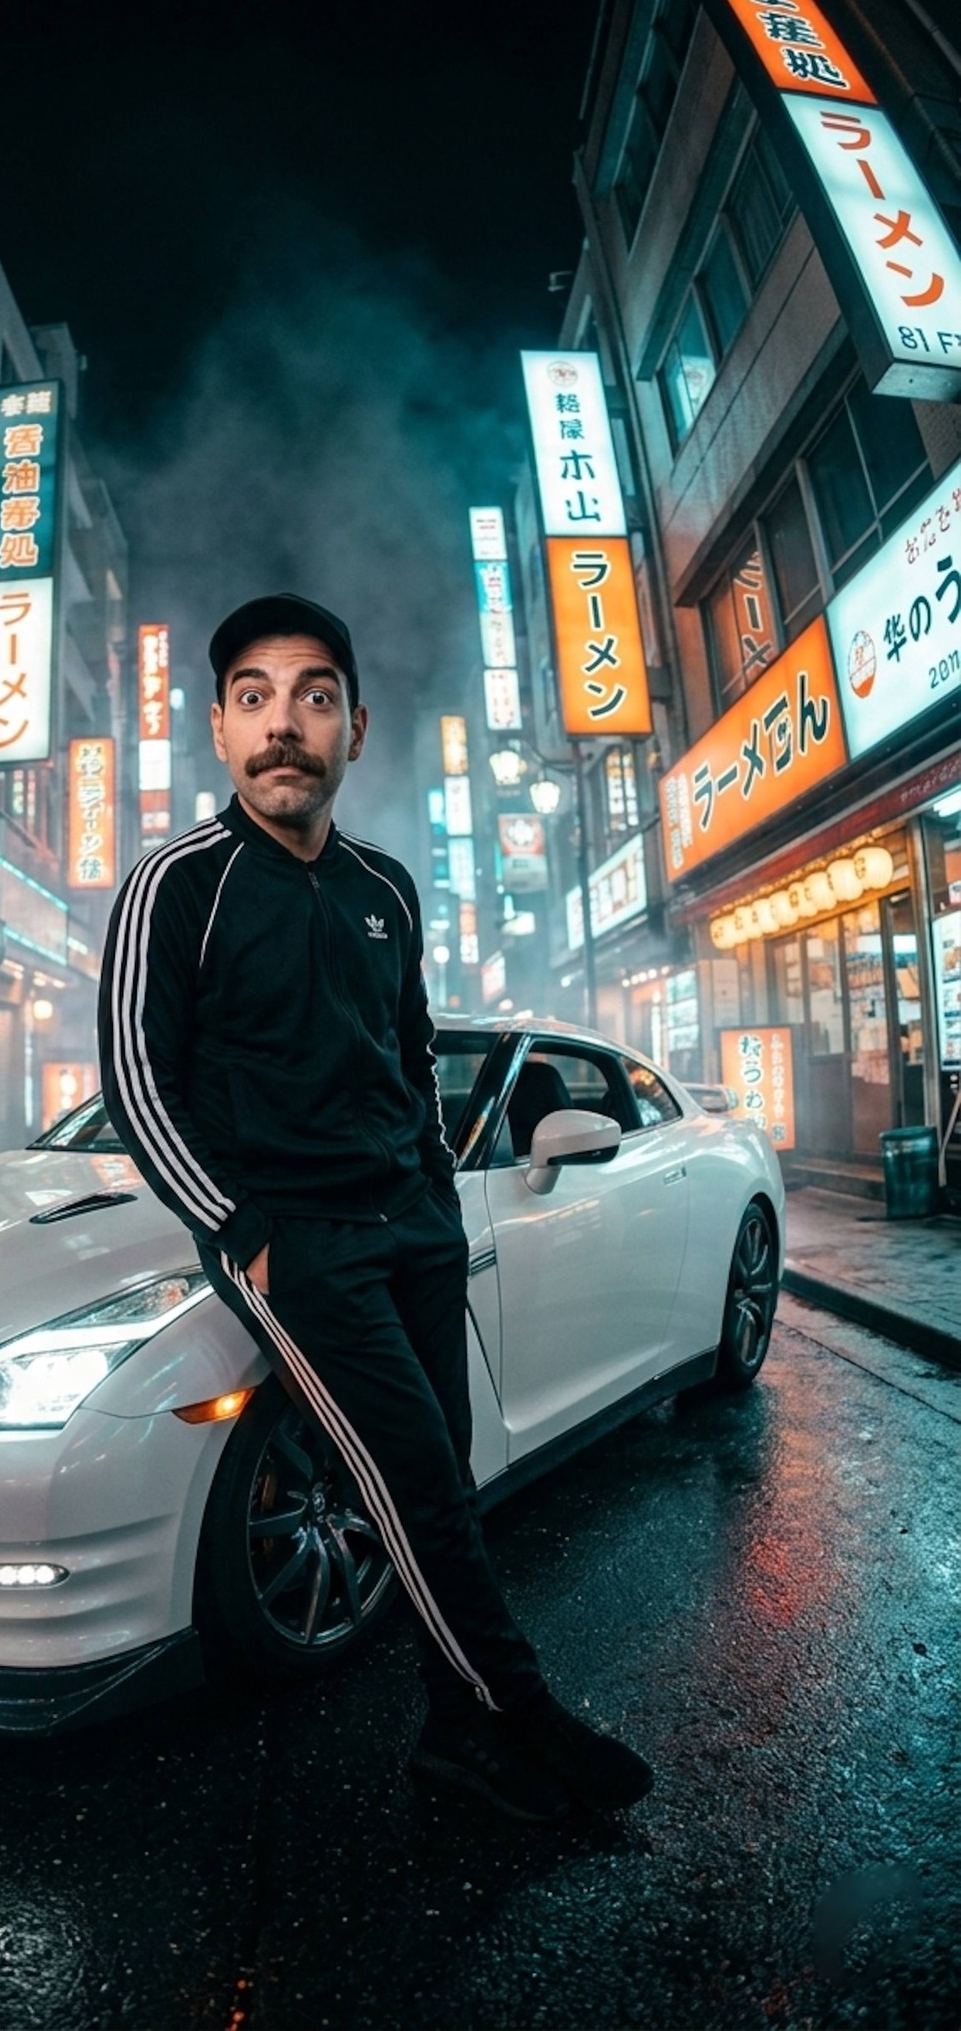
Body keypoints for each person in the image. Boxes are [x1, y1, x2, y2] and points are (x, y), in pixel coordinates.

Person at [97, 592, 653, 1823]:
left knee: (438, 1473)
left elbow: (409, 1059)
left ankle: (457, 1737)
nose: (281, 723)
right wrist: (241, 1233)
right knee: (414, 1481)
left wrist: (436, 1202)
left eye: (311, 695)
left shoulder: (386, 889)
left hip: (411, 1228)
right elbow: (138, 1079)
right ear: (218, 728)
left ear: (359, 724)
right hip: (298, 1243)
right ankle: (521, 1715)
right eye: (252, 696)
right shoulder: (176, 885)